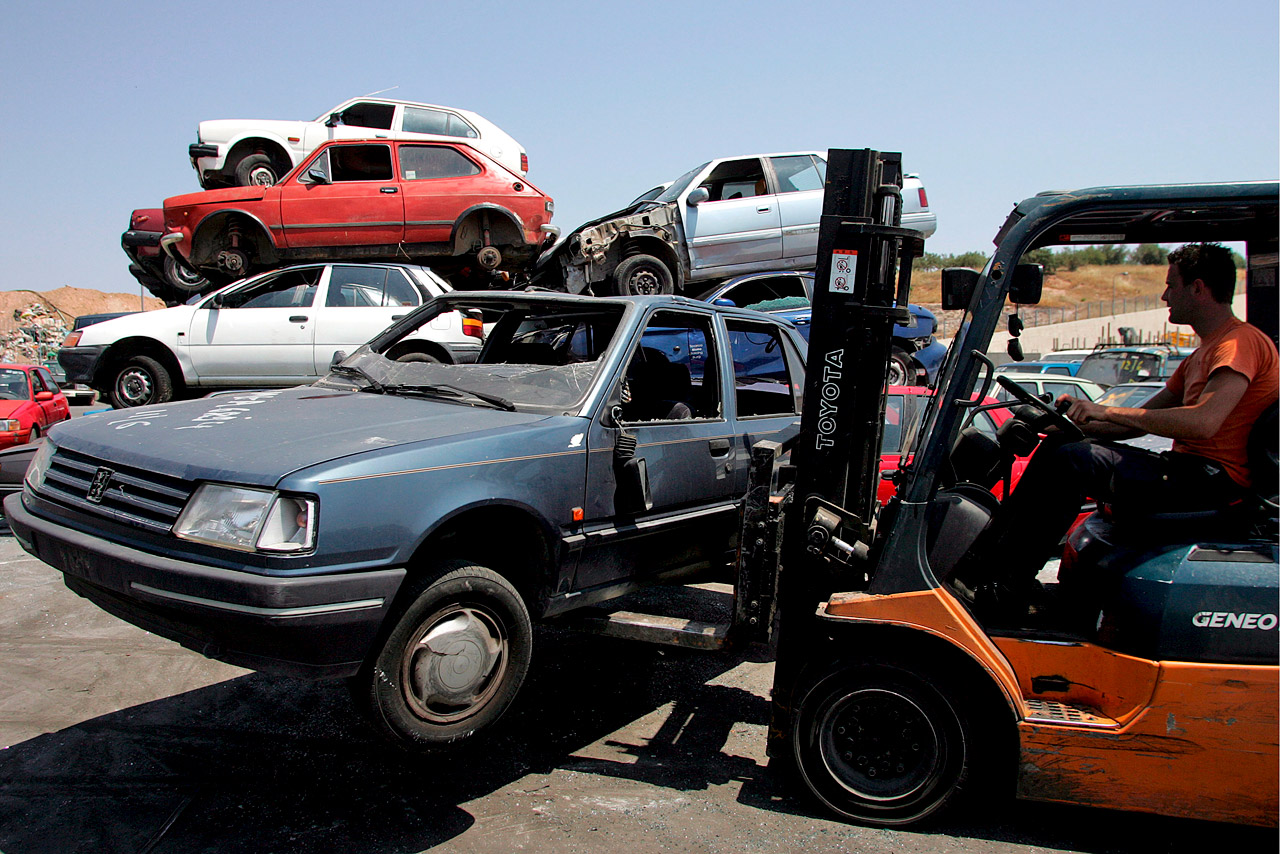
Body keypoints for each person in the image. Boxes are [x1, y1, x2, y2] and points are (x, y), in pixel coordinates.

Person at [961, 243, 1279, 608]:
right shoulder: (1201, 355)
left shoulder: (1240, 344)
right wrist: (1072, 425)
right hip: (1192, 474)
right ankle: (987, 566)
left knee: (1075, 461)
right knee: (1061, 449)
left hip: (1213, 482)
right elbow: (1136, 426)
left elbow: (1204, 422)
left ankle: (1006, 583)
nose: (1164, 295)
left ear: (1198, 288)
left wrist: (1105, 413)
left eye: (1170, 285)